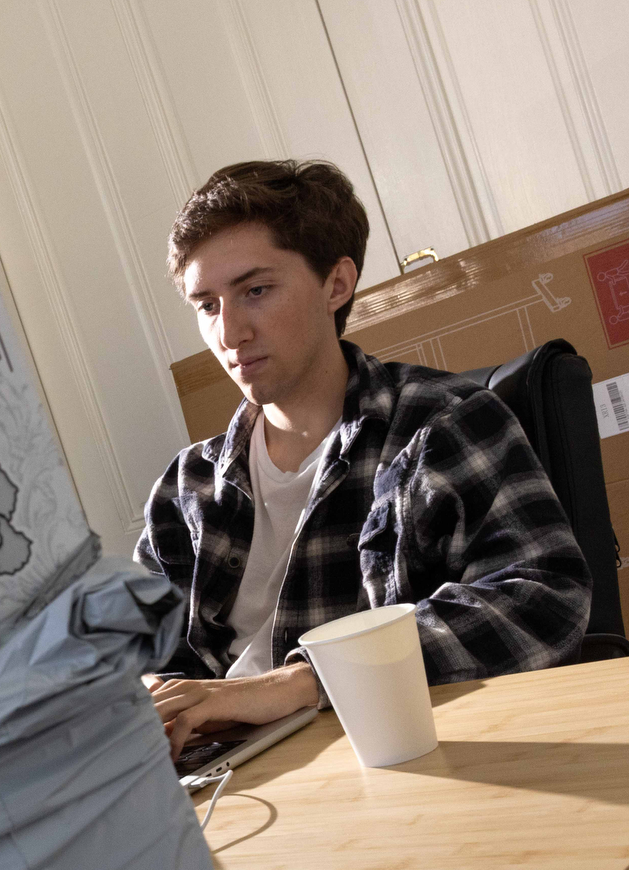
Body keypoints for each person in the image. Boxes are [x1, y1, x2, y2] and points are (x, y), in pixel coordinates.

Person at [137, 159, 591, 756]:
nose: (230, 333)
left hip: (386, 756)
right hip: (223, 776)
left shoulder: (442, 423)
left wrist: (307, 680)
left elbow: (543, 599)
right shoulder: (186, 487)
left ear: (337, 284)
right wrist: (150, 699)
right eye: (206, 305)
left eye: (255, 290)